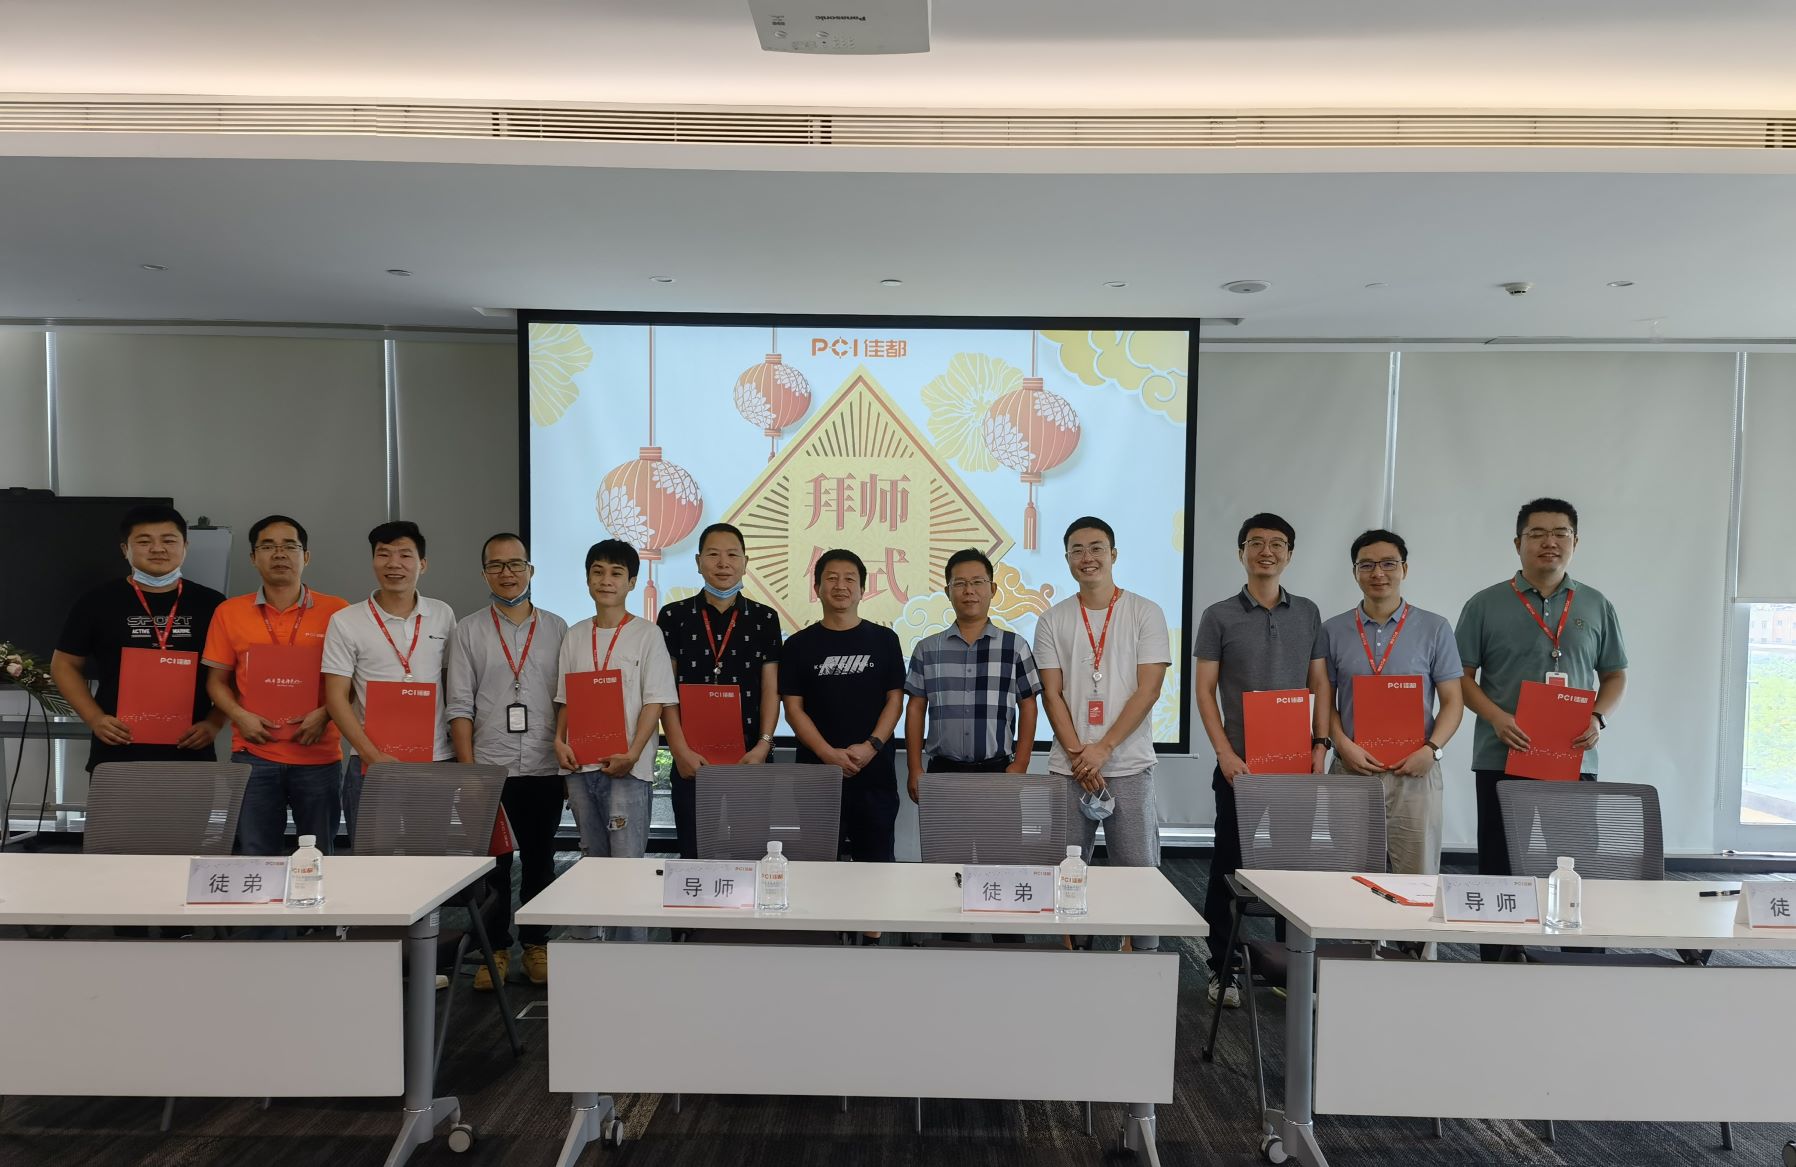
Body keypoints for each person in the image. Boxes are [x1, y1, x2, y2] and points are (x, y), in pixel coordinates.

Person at [1193, 512, 1330, 1007]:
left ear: (1289, 554)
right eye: (1255, 543)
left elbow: (1320, 683)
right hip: (1241, 769)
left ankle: (1290, 967)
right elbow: (1205, 691)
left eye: (1276, 544)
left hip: (1296, 767)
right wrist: (1225, 753)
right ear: (1241, 553)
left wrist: (1320, 745)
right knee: (1229, 869)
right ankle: (1223, 969)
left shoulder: (1308, 613)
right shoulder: (1218, 615)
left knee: (1292, 871)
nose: (1265, 551)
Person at [1457, 498, 1627, 879]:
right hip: (1503, 753)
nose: (1549, 542)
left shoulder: (1596, 605)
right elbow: (1460, 677)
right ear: (1517, 543)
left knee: (1575, 864)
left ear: (1575, 542)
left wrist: (1598, 718)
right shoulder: (1483, 604)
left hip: (1571, 754)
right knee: (1500, 863)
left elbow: (1616, 675)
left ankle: (1571, 924)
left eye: (1560, 533)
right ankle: (1503, 924)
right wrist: (1496, 718)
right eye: (1537, 533)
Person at [1035, 517, 1171, 954]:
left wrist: (1103, 749)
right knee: (1064, 872)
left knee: (1138, 871)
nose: (1087, 557)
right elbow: (1052, 694)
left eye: (1096, 548)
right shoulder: (1052, 619)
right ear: (1067, 558)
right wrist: (1081, 754)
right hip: (1069, 768)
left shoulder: (1145, 612)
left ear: (1113, 554)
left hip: (1129, 766)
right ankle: (1071, 958)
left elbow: (1149, 689)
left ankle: (1140, 958)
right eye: (1077, 550)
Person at [446, 533, 568, 988]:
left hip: (543, 764)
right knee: (493, 868)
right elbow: (459, 705)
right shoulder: (467, 630)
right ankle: (493, 950)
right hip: (490, 767)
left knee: (540, 861)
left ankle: (536, 945)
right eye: (496, 566)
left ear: (530, 570)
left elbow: (566, 701)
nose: (507, 573)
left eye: (516, 564)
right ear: (484, 575)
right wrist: (469, 771)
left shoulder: (558, 628)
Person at [1320, 529, 1465, 877]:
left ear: (1405, 569)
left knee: (1416, 878)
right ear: (1355, 572)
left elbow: (1453, 702)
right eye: (1366, 565)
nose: (1378, 573)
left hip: (1414, 771)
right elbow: (1325, 701)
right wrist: (1342, 745)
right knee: (1350, 878)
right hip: (1352, 769)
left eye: (1388, 564)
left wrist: (1432, 750)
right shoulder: (1332, 630)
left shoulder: (1435, 628)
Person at [202, 515, 349, 856]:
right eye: (268, 546)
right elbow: (216, 682)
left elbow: (351, 682)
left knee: (318, 858)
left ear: (306, 556)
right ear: (253, 557)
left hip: (318, 756)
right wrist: (241, 716)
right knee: (255, 856)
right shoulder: (229, 612)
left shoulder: (338, 611)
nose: (279, 554)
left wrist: (325, 714)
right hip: (253, 755)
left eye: (290, 546)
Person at [553, 540, 676, 939]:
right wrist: (559, 741)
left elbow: (655, 701)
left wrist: (633, 753)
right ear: (587, 578)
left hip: (627, 769)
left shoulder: (647, 634)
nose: (606, 580)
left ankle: (629, 956)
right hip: (580, 766)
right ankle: (589, 950)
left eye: (616, 573)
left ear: (632, 582)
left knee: (625, 866)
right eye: (598, 572)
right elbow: (566, 699)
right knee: (591, 860)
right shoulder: (575, 635)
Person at [53, 504, 227, 774]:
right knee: (117, 806)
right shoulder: (96, 601)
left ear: (185, 546)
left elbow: (234, 672)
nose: (158, 549)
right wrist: (95, 718)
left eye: (169, 540)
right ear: (125, 549)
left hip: (192, 745)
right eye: (144, 542)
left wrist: (215, 722)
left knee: (186, 806)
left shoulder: (214, 604)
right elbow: (64, 665)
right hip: (117, 745)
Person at [321, 520, 456, 847]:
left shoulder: (442, 614)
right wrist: (373, 756)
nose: (394, 563)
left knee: (431, 858)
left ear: (422, 564)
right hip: (370, 764)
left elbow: (452, 682)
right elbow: (336, 698)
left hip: (434, 760)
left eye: (405, 555)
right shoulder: (346, 621)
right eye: (384, 554)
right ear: (373, 561)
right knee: (373, 857)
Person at [656, 522, 782, 859]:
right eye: (713, 555)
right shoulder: (673, 616)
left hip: (750, 757)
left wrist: (763, 746)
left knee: (750, 855)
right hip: (692, 759)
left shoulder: (764, 618)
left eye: (732, 555)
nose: (723, 563)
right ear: (698, 562)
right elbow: (664, 690)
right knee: (695, 855)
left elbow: (771, 688)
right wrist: (679, 751)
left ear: (745, 562)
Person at [779, 549, 905, 863]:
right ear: (817, 588)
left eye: (850, 579)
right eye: (831, 578)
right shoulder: (797, 645)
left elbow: (895, 701)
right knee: (817, 868)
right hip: (816, 778)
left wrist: (871, 746)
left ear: (862, 589)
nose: (840, 585)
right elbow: (793, 710)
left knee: (876, 869)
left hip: (874, 776)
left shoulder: (885, 640)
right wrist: (827, 754)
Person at [903, 548, 1042, 799]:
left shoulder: (1015, 647)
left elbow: (1029, 705)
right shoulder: (927, 649)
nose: (969, 590)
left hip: (998, 772)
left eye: (978, 582)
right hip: (942, 771)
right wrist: (914, 768)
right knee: (943, 829)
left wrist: (1021, 764)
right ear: (947, 591)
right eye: (960, 583)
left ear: (993, 589)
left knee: (997, 828)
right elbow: (915, 708)